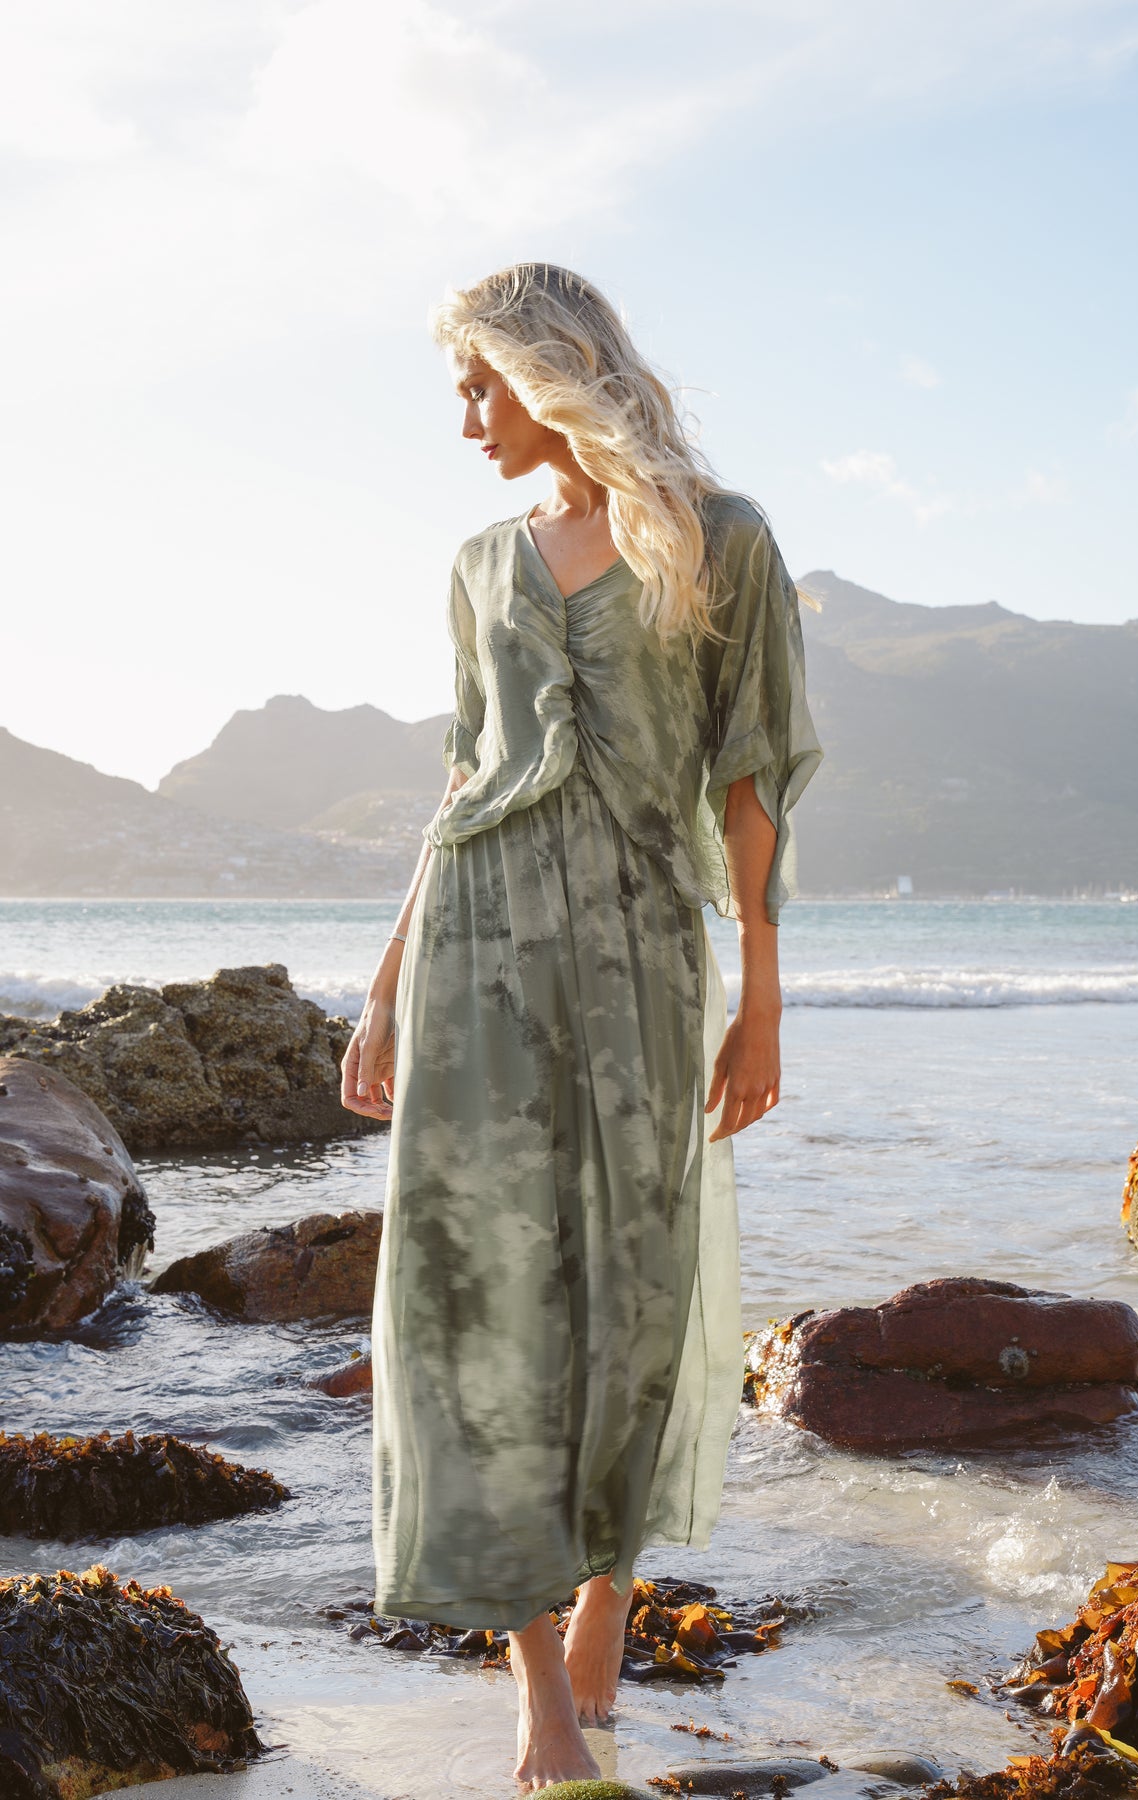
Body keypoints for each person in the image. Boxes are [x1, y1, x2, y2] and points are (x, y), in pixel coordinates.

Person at [341, 262, 823, 1792]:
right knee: (474, 1305)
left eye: (483, 382)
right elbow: (461, 783)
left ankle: (611, 1604)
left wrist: (760, 985)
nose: (468, 417)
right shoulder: (480, 563)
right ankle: (542, 1698)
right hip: (476, 951)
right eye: (460, 390)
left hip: (636, 957)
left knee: (633, 1290)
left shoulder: (717, 538)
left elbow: (749, 776)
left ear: (553, 368)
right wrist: (382, 986)